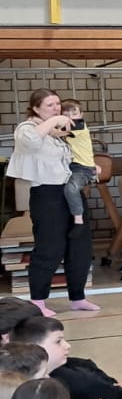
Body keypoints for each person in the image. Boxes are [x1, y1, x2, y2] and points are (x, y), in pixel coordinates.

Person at [6, 89, 97, 316]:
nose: (56, 108)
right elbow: (32, 142)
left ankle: (78, 297)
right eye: (49, 105)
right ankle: (38, 300)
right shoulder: (27, 128)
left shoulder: (59, 132)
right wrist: (54, 121)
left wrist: (89, 168)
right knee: (49, 247)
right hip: (47, 195)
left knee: (80, 247)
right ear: (36, 108)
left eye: (57, 104)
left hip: (70, 192)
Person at [52, 100, 96, 229]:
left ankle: (78, 218)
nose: (70, 118)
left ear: (81, 114)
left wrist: (45, 124)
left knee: (71, 189)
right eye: (66, 115)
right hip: (73, 165)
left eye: (74, 114)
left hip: (82, 167)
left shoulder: (79, 126)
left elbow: (54, 133)